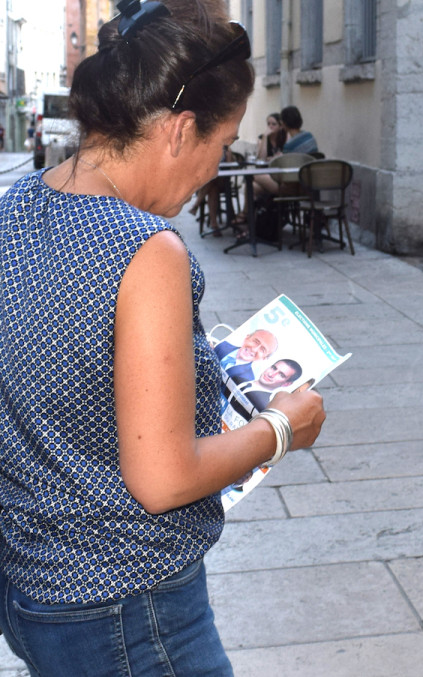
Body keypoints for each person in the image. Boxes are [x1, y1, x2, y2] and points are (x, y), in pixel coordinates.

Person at [0, 1, 326, 675]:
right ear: (180, 131)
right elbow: (163, 478)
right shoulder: (146, 250)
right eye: (222, 142)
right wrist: (282, 427)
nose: (217, 164)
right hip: (129, 605)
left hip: (33, 589)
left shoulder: (16, 208)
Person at [227, 358, 304, 421]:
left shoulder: (265, 409)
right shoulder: (237, 376)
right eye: (274, 368)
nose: (271, 374)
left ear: (286, 384)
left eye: (281, 375)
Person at [214, 328, 279, 384]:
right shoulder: (223, 346)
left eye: (262, 350)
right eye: (256, 342)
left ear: (264, 358)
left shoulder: (248, 379)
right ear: (246, 338)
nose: (254, 349)